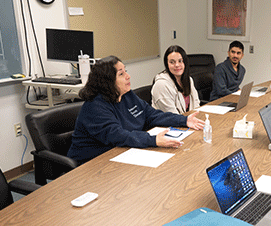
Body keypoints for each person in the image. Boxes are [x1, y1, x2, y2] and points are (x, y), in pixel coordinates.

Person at [67, 56, 204, 164]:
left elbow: (152, 115)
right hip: (93, 165)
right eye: (121, 74)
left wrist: (184, 120)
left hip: (124, 155)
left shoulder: (127, 95)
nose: (128, 76)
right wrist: (153, 140)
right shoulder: (95, 107)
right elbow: (118, 136)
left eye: (126, 70)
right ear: (107, 81)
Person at [152, 45, 201, 114]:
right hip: (168, 123)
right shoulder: (161, 85)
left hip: (187, 120)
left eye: (180, 61)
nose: (177, 65)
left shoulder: (188, 80)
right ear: (167, 64)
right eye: (172, 62)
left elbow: (196, 103)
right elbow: (172, 115)